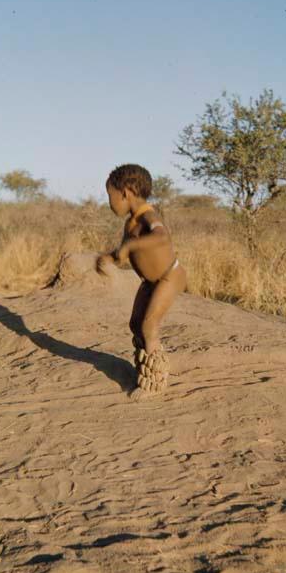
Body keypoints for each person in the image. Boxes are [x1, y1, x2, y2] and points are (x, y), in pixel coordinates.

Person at [97, 164, 187, 400]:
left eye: (110, 196)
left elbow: (161, 236)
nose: (109, 202)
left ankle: (155, 383)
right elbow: (126, 252)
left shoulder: (149, 215)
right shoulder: (131, 223)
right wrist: (109, 257)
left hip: (168, 276)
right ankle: (144, 369)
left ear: (126, 193)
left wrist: (129, 246)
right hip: (149, 282)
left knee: (149, 325)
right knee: (136, 324)